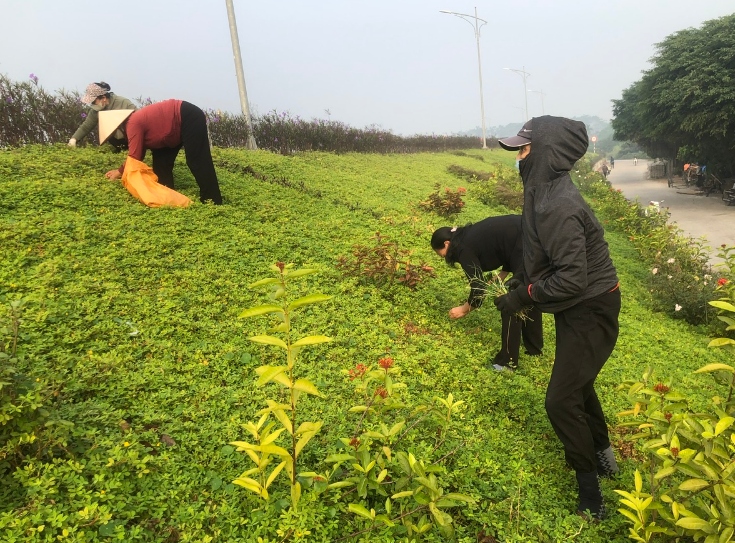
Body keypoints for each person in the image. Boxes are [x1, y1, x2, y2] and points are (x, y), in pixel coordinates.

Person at [494, 116, 621, 520]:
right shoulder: (542, 190)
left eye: (525, 149)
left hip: (591, 305)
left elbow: (571, 278)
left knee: (560, 400)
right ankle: (604, 455)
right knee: (577, 383)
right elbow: (539, 252)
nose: (519, 158)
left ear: (546, 152)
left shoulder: (558, 205)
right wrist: (520, 284)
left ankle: (591, 495)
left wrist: (525, 297)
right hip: (576, 304)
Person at [430, 215, 543, 371]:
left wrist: (464, 309)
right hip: (533, 236)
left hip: (527, 242)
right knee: (526, 291)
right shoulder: (468, 235)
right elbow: (505, 242)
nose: (442, 257)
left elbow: (478, 287)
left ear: (446, 244)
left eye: (440, 253)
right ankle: (534, 349)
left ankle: (506, 363)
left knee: (511, 300)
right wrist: (503, 273)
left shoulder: (463, 249)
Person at [102, 99, 223, 205]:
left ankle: (213, 201)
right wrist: (121, 170)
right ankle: (170, 201)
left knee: (196, 160)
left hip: (187, 116)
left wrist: (119, 172)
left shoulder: (132, 123)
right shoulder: (132, 124)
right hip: (167, 135)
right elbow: (140, 151)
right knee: (161, 167)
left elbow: (135, 156)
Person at [68, 82, 136, 148]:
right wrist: (74, 139)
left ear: (103, 98)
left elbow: (139, 119)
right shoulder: (95, 110)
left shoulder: (123, 102)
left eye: (94, 102)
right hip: (117, 143)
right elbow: (86, 127)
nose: (93, 104)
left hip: (134, 140)